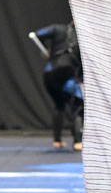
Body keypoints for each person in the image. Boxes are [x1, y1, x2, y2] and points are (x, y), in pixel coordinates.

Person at [32, 21, 83, 150]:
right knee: (77, 104)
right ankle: (78, 141)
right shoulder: (81, 36)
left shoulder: (57, 29)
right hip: (66, 73)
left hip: (49, 74)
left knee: (59, 104)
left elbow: (35, 35)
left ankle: (57, 140)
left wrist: (46, 51)